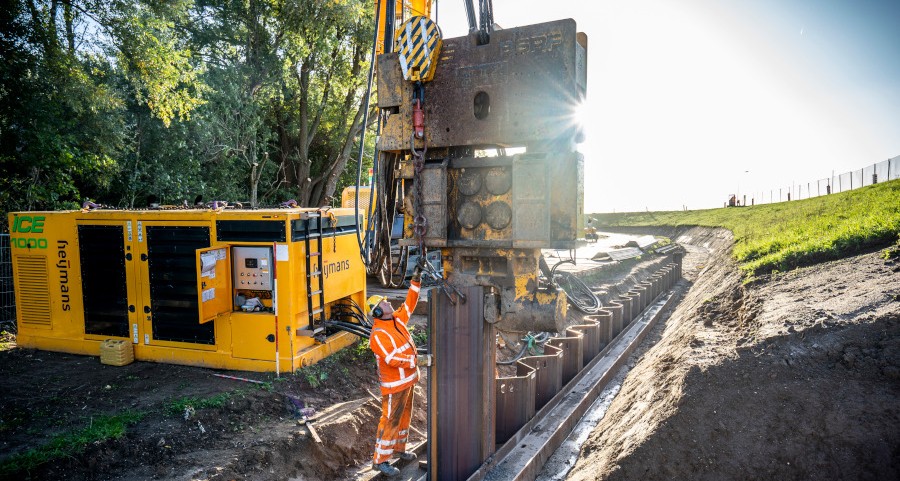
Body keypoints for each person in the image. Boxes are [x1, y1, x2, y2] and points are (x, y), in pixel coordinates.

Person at [366, 262, 427, 477]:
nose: (388, 302)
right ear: (376, 312)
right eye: (384, 303)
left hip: (407, 381)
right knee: (390, 419)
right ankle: (380, 460)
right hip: (394, 386)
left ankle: (399, 450)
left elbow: (410, 303)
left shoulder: (396, 320)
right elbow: (392, 358)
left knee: (404, 418)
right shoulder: (378, 335)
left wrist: (416, 280)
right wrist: (416, 361)